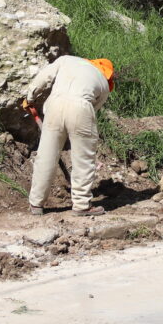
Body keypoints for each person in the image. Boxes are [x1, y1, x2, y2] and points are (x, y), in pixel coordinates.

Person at [24, 55, 115, 216]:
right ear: (107, 74)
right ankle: (81, 205)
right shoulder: (104, 85)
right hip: (82, 107)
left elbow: (43, 78)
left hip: (55, 104)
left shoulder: (66, 60)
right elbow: (93, 110)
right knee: (83, 159)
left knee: (46, 156)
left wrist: (30, 98)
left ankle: (36, 204)